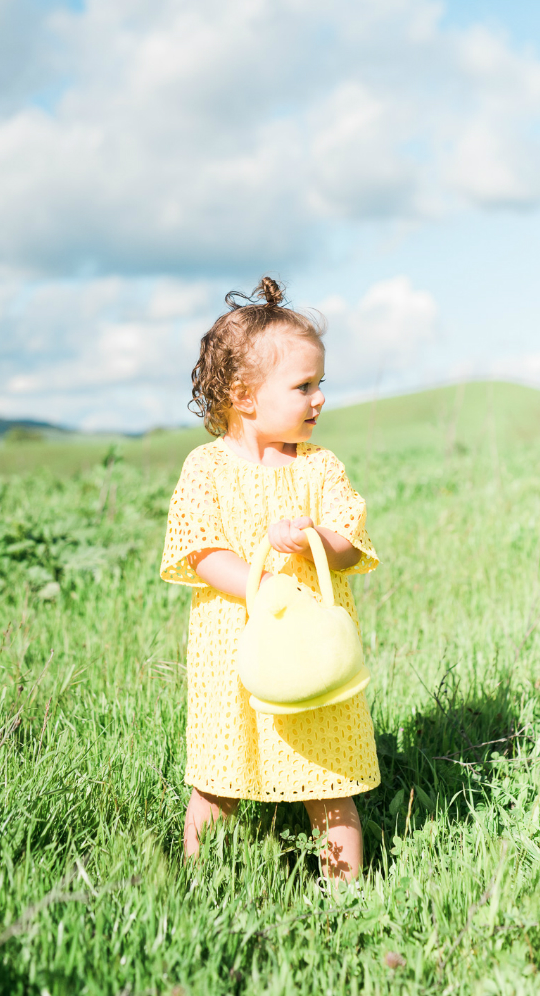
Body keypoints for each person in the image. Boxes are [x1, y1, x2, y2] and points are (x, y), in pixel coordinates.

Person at [160, 276, 380, 880]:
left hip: (313, 651)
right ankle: (200, 884)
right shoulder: (205, 469)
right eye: (303, 386)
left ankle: (347, 894)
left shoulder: (320, 468)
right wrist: (263, 586)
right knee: (218, 778)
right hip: (234, 647)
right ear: (244, 394)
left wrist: (314, 538)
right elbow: (200, 552)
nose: (319, 399)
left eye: (321, 385)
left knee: (328, 778)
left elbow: (347, 540)